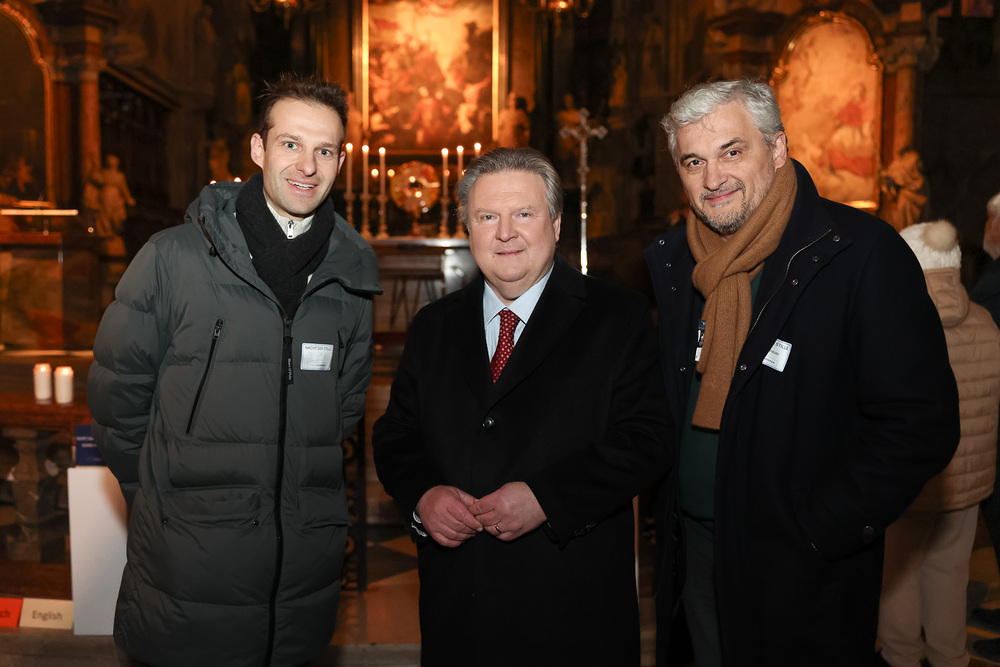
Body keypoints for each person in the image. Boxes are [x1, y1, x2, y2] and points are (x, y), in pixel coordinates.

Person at [644, 79, 960, 667]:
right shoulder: (675, 261)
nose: (713, 178)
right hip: (698, 552)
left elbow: (921, 422)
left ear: (777, 148)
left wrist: (820, 529)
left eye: (731, 151)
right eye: (693, 161)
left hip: (801, 567)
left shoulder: (859, 252)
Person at [87, 74, 381, 666]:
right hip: (189, 558)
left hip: (300, 562)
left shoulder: (351, 274)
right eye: (291, 144)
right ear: (258, 149)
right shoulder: (172, 257)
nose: (307, 166)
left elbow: (342, 410)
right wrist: (160, 500)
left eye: (325, 150)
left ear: (341, 161)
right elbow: (118, 401)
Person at [373, 147, 673, 666]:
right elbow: (396, 432)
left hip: (572, 611)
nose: (505, 233)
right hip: (459, 612)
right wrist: (423, 495)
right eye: (487, 217)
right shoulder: (434, 325)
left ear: (555, 224)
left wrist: (547, 499)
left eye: (524, 214)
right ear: (469, 229)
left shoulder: (617, 316)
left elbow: (647, 439)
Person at [876, 220, 1000, 667]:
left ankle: (901, 656)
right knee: (950, 571)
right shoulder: (985, 320)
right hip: (967, 481)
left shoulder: (897, 325)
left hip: (911, 477)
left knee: (898, 575)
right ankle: (950, 656)